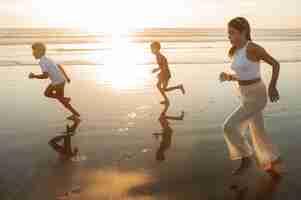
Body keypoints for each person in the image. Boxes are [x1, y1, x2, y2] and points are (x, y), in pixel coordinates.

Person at [220, 17, 283, 177]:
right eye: (228, 33)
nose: (229, 37)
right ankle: (270, 161)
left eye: (232, 33)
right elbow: (244, 74)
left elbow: (275, 64)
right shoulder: (235, 50)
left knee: (228, 126)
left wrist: (272, 86)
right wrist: (229, 77)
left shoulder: (253, 48)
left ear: (244, 32)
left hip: (256, 95)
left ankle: (246, 157)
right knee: (258, 131)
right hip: (244, 94)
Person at [29, 42, 80, 120]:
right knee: (61, 100)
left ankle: (65, 100)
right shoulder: (48, 59)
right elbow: (59, 66)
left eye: (34, 51)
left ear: (40, 52)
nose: (33, 53)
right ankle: (75, 114)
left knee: (47, 93)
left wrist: (34, 76)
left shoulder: (42, 62)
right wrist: (66, 77)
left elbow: (45, 76)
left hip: (57, 82)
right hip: (61, 80)